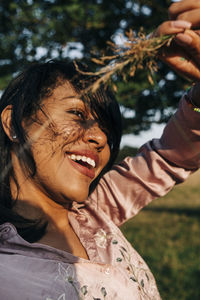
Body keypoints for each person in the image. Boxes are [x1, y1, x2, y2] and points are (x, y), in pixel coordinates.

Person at [0, 1, 200, 299]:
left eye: (107, 129)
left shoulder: (94, 209)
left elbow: (170, 157)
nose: (100, 139)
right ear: (13, 123)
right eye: (77, 114)